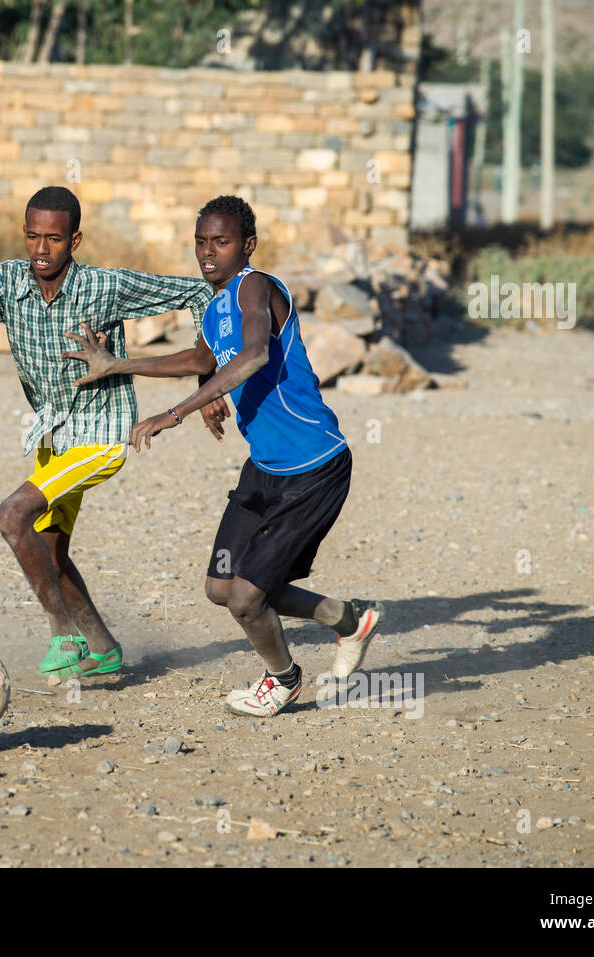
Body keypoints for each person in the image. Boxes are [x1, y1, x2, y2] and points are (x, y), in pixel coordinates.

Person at [62, 194, 384, 716]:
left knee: (246, 598)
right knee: (221, 586)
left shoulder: (254, 286)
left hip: (314, 467)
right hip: (265, 468)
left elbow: (255, 354)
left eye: (222, 241)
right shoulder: (214, 309)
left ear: (247, 245)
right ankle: (349, 620)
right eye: (201, 242)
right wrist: (117, 364)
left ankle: (282, 679)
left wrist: (179, 411)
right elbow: (201, 358)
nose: (208, 252)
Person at [0, 185, 219, 678]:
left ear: (75, 239)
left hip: (101, 435)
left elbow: (196, 292)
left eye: (54, 239)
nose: (41, 250)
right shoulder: (5, 279)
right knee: (48, 551)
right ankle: (104, 649)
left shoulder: (105, 287)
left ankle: (63, 637)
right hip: (53, 436)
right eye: (32, 237)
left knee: (11, 515)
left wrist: (208, 377)